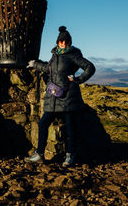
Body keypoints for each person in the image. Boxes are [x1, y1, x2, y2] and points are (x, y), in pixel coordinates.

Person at [25, 26, 96, 167]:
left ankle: (70, 155)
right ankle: (39, 154)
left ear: (69, 42)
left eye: (66, 41)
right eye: (62, 41)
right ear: (58, 42)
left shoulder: (74, 55)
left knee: (70, 127)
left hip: (69, 97)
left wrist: (78, 79)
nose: (64, 44)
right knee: (43, 123)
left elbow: (90, 67)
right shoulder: (55, 55)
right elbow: (48, 69)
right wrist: (35, 64)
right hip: (53, 97)